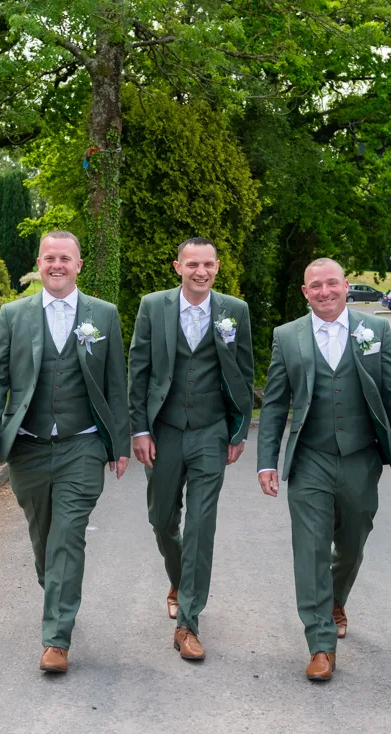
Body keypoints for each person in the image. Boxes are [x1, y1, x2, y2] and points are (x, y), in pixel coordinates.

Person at [0, 230, 131, 674]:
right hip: (28, 446)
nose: (57, 265)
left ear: (79, 265)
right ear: (38, 264)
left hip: (82, 444)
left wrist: (118, 443)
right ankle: (58, 592)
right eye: (49, 258)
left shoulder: (103, 314)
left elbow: (116, 384)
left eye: (65, 258)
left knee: (68, 536)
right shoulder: (14, 314)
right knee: (44, 541)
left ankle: (56, 640)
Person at [256, 258, 391, 682]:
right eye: (315, 286)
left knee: (352, 544)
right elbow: (275, 403)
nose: (324, 292)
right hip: (310, 458)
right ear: (305, 292)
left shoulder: (375, 330)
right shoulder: (287, 336)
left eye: (332, 284)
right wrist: (266, 460)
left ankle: (336, 598)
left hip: (362, 457)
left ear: (346, 286)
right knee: (310, 550)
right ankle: (320, 644)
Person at [128, 237, 254, 661]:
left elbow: (243, 373)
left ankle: (188, 624)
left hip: (210, 432)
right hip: (163, 430)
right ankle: (180, 579)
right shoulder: (153, 306)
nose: (201, 271)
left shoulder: (235, 311)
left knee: (201, 526)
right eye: (193, 264)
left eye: (208, 265)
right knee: (162, 520)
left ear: (217, 267)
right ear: (178, 267)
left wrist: (238, 432)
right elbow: (139, 371)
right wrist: (140, 430)